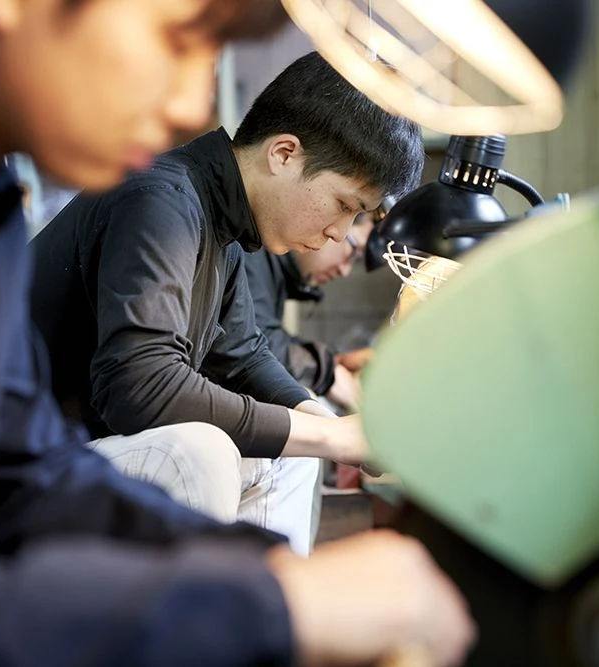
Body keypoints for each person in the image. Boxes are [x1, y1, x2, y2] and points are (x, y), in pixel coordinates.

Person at [0, 0, 476, 665]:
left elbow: (26, 471)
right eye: (177, 39)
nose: (191, 106)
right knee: (203, 452)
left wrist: (280, 574)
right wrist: (268, 609)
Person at [29, 51, 422, 554]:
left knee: (293, 454)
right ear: (284, 153)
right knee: (201, 450)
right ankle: (221, 603)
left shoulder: (224, 228)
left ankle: (268, 599)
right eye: (344, 205)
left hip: (72, 467)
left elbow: (244, 356)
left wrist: (332, 425)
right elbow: (141, 386)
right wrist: (332, 438)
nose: (339, 233)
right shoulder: (161, 199)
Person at [244, 210, 382, 414]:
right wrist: (327, 372)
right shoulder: (251, 254)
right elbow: (252, 343)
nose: (345, 271)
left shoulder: (272, 271)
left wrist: (335, 361)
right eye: (353, 251)